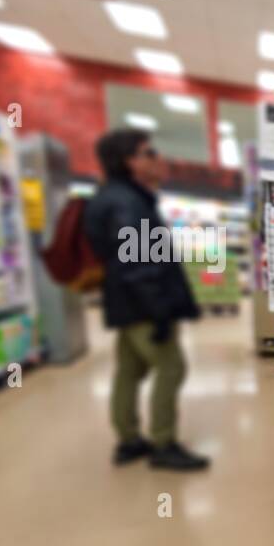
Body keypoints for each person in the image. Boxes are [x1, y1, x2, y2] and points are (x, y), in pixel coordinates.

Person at [83, 129, 208, 471]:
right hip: (143, 305)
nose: (159, 158)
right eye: (150, 152)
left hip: (127, 303)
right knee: (171, 367)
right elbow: (137, 263)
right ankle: (163, 444)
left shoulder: (118, 197)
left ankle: (128, 441)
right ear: (130, 161)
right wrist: (160, 312)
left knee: (130, 370)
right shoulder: (128, 203)